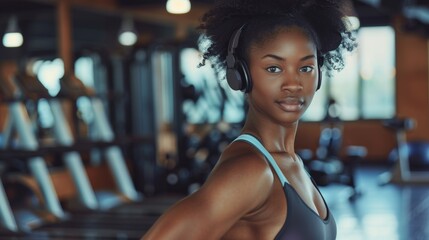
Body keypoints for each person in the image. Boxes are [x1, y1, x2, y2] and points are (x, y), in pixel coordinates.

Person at [142, 0, 356, 239]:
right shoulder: (251, 170)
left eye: (305, 68)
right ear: (241, 76)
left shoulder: (291, 162)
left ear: (318, 75)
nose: (294, 84)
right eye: (274, 68)